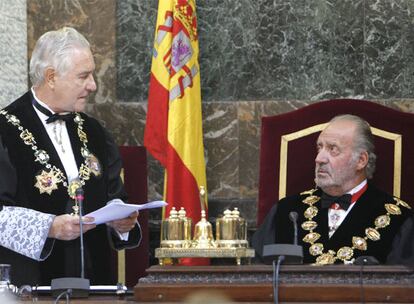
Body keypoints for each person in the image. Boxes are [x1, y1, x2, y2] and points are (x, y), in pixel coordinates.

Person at [0, 27, 141, 287]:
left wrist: (121, 222)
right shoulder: (4, 131)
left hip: (96, 285)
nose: (93, 85)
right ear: (51, 77)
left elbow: (115, 198)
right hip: (28, 287)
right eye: (84, 76)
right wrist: (49, 227)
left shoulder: (95, 131)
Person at [252, 114, 414, 265]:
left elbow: (403, 289)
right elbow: (256, 277)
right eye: (319, 148)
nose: (319, 158)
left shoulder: (397, 218)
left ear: (361, 160)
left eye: (332, 149)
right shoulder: (286, 211)